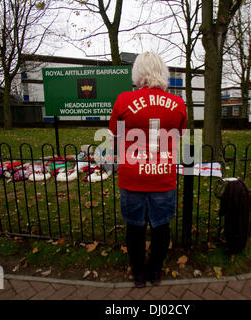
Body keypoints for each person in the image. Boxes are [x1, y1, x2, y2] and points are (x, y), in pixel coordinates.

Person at [109, 52, 187, 288]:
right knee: (161, 226)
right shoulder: (178, 103)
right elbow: (179, 135)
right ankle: (155, 271)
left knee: (135, 227)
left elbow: (115, 139)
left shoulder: (123, 100)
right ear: (163, 73)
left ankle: (139, 274)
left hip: (132, 176)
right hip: (162, 176)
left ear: (138, 73)